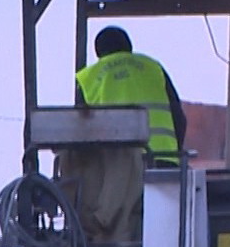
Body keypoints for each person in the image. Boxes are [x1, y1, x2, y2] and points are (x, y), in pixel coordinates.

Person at [75, 26, 186, 165]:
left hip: (115, 165)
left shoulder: (89, 78)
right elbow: (179, 117)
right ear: (129, 47)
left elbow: (79, 130)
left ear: (98, 52)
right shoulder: (154, 68)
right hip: (163, 159)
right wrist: (176, 153)